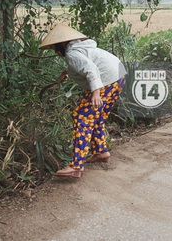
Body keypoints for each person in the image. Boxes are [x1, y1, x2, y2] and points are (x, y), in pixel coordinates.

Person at [40, 25, 127, 178]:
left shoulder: (72, 53)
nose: (55, 51)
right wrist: (67, 71)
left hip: (108, 79)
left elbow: (91, 69)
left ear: (62, 44)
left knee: (82, 116)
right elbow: (86, 62)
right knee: (96, 116)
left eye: (55, 47)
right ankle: (101, 152)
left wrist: (96, 93)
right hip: (118, 74)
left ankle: (76, 165)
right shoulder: (77, 48)